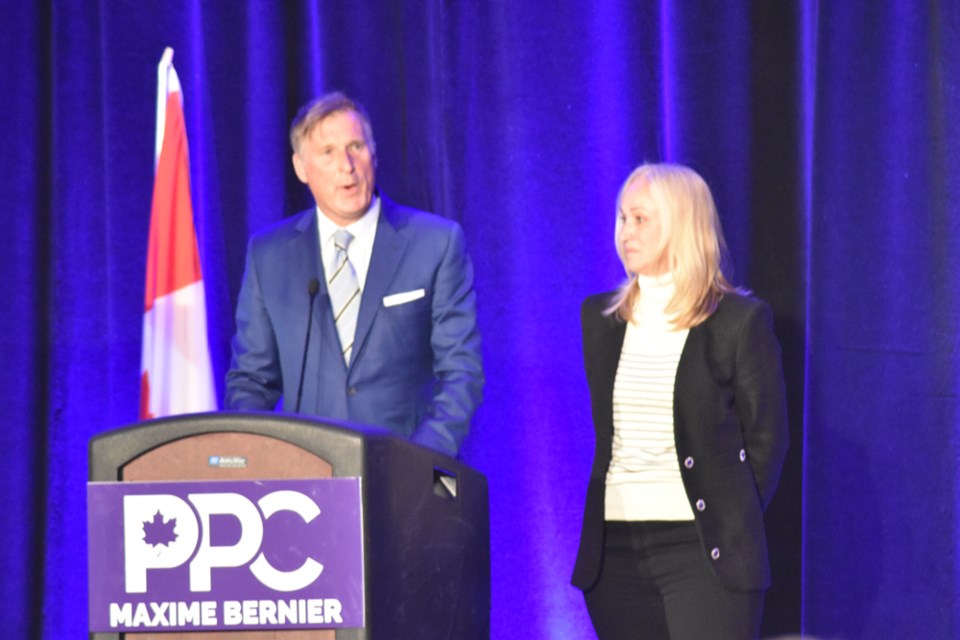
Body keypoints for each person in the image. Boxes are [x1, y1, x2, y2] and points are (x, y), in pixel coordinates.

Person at [571, 163, 789, 639]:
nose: (625, 231)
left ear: (682, 222)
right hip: (618, 553)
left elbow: (767, 439)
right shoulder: (599, 320)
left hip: (703, 551)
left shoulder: (738, 322)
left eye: (641, 219)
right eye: (622, 218)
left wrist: (730, 513)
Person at [225, 92, 483, 457]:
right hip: (307, 485)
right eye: (327, 152)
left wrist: (417, 463)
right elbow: (252, 381)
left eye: (356, 146)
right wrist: (262, 462)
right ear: (301, 168)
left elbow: (461, 373)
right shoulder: (270, 255)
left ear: (373, 152)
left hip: (411, 477)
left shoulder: (435, 243)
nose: (346, 165)